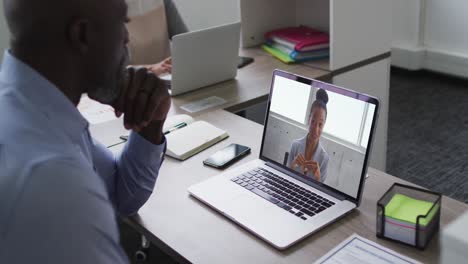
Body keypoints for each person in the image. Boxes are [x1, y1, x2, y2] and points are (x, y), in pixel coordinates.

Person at [0, 0, 171, 262]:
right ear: (82, 35)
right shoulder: (53, 183)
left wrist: (151, 123)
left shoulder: (35, 108)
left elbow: (118, 196)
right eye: (123, 23)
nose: (127, 39)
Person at [287, 89, 330, 182]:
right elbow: (285, 178)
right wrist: (292, 165)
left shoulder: (324, 158)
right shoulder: (295, 145)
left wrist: (318, 177)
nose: (315, 129)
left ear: (324, 125)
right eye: (313, 121)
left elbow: (321, 194)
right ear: (308, 119)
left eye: (320, 124)